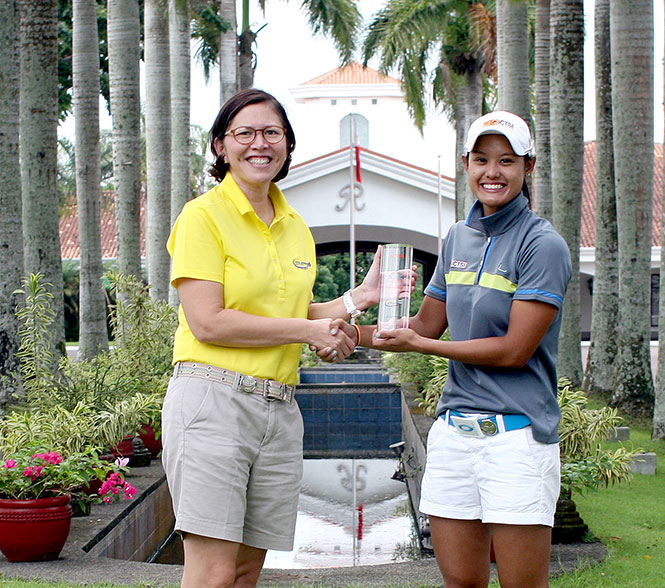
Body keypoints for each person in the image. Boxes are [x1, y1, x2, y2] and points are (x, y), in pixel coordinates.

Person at [161, 88, 387, 588]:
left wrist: (356, 301)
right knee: (214, 572)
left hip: (280, 410)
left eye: (272, 133)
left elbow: (293, 313)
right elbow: (210, 322)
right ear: (221, 146)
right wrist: (309, 331)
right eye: (244, 133)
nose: (258, 144)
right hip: (212, 402)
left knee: (246, 570)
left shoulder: (295, 227)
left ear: (287, 144)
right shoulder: (202, 216)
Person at [367, 111, 572, 587]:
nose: (492, 172)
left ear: (528, 167)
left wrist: (423, 345)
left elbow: (514, 351)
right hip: (454, 437)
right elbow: (421, 326)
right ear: (466, 164)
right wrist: (353, 325)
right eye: (482, 159)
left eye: (506, 160)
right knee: (461, 583)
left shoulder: (543, 245)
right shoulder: (458, 237)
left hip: (517, 439)